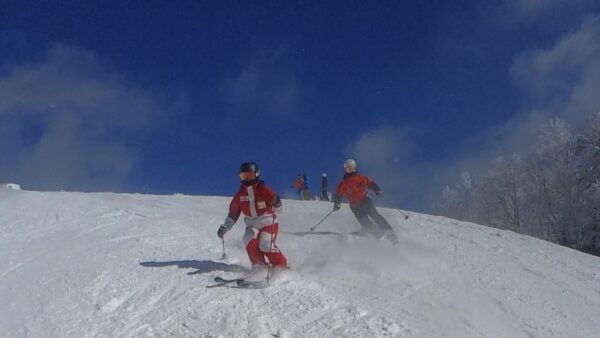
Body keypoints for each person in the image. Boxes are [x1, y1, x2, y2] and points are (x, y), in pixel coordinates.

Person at [218, 162, 288, 273]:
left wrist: (278, 203)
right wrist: (225, 227)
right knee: (248, 238)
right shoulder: (240, 195)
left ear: (256, 174)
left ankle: (281, 266)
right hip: (252, 225)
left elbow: (279, 209)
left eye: (249, 176)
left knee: (265, 244)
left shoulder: (264, 189)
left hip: (268, 223)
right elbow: (233, 214)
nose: (246, 180)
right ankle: (259, 266)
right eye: (243, 176)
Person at [332, 159, 398, 244]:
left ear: (355, 168)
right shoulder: (343, 184)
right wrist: (337, 203)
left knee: (375, 216)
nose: (351, 171)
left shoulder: (361, 178)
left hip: (365, 201)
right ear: (345, 170)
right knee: (364, 222)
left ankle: (389, 231)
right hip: (355, 206)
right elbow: (338, 194)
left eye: (353, 168)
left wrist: (377, 190)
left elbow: (370, 183)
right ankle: (378, 235)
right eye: (348, 169)